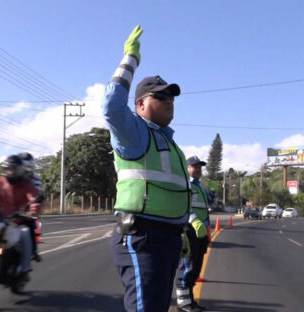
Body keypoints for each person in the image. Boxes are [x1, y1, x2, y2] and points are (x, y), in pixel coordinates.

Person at [104, 25, 191, 312]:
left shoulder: (169, 142)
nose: (169, 102)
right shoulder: (136, 133)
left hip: (166, 240)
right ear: (140, 104)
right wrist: (130, 59)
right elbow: (112, 107)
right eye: (161, 97)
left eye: (171, 98)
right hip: (143, 238)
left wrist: (180, 230)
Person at [176, 156, 211, 312]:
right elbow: (183, 204)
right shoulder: (186, 184)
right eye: (194, 167)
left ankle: (190, 300)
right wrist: (194, 220)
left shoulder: (199, 186)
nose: (198, 170)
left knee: (195, 267)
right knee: (187, 266)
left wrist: (213, 192)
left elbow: (207, 205)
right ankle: (183, 304)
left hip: (201, 231)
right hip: (190, 229)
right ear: (187, 168)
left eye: (199, 167)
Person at [16, 152, 43, 257]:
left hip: (25, 210)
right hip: (8, 209)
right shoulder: (9, 176)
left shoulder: (34, 179)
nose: (25, 170)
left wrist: (33, 208)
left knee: (29, 228)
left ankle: (32, 252)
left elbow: (36, 195)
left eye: (27, 167)